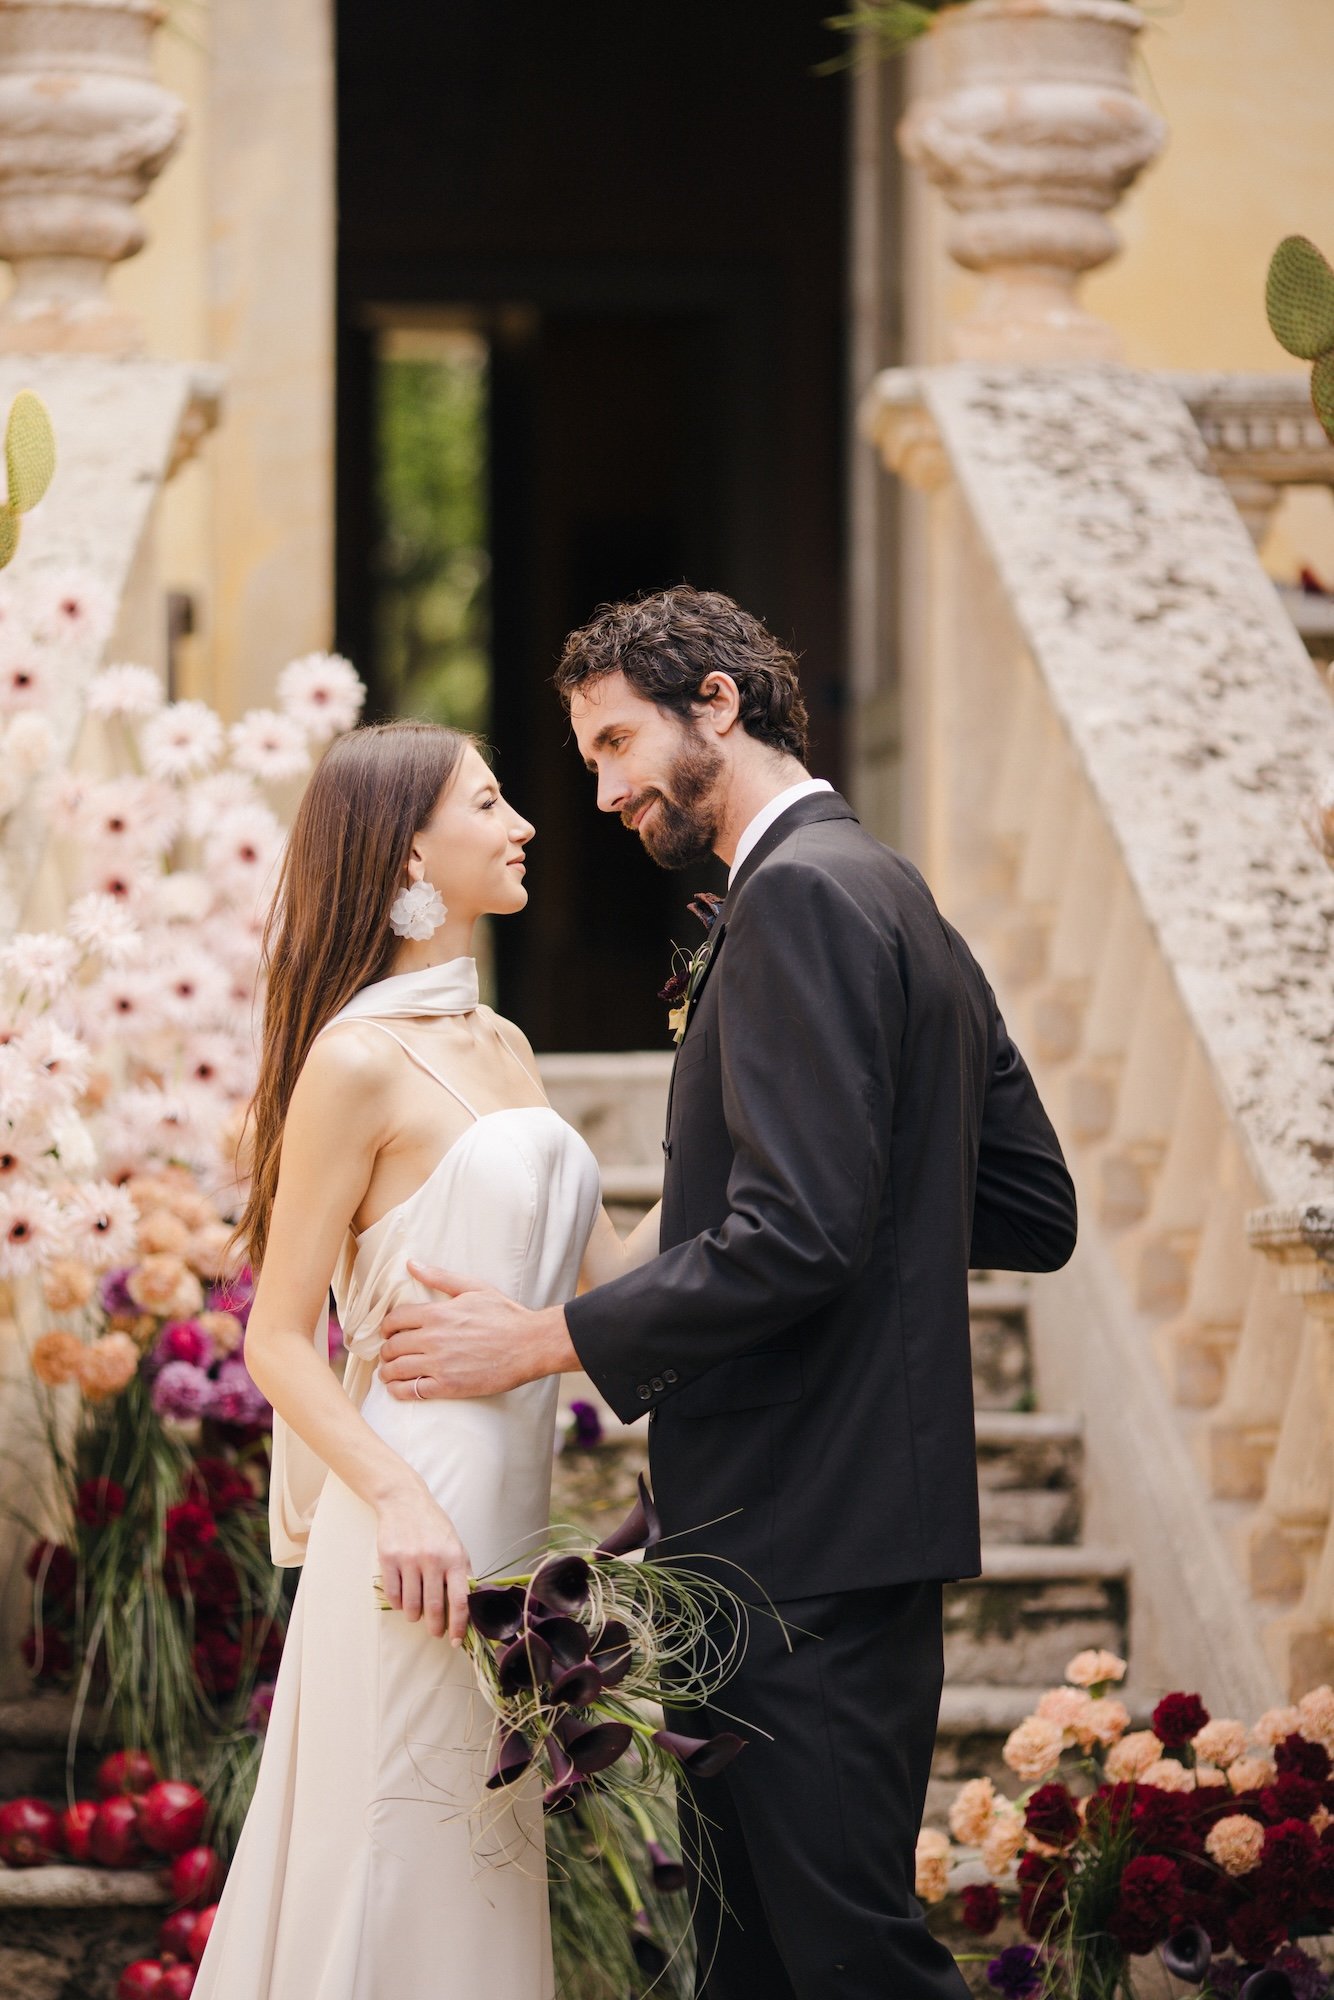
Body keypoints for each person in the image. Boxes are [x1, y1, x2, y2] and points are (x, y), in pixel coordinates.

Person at [378, 588, 1079, 2000]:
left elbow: (798, 1234)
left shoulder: (803, 900)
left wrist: (542, 1339)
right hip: (803, 1522)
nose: (602, 789)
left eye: (615, 742)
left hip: (804, 1538)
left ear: (717, 702)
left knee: (844, 1955)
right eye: (583, 762)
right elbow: (1022, 1205)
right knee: (745, 1958)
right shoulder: (886, 889)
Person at [194, 720, 655, 2000]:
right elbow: (277, 1338)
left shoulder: (502, 1044)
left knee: (473, 1853)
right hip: (406, 1535)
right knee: (395, 1851)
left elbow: (613, 1279)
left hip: (508, 1529)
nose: (523, 824)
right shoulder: (353, 1061)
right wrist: (394, 1496)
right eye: (491, 801)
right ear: (408, 849)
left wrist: (744, 1083)